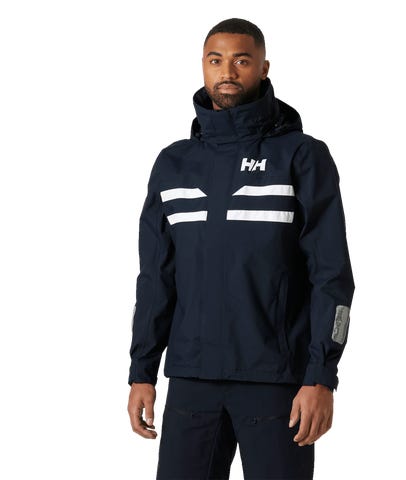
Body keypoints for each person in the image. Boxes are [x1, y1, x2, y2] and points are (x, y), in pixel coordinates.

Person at [127, 17, 355, 480]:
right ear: (203, 66)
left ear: (263, 68)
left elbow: (332, 276)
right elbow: (156, 279)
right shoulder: (173, 163)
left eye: (241, 60)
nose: (227, 71)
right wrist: (141, 371)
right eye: (216, 60)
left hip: (276, 383)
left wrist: (321, 376)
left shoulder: (301, 156)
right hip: (192, 380)